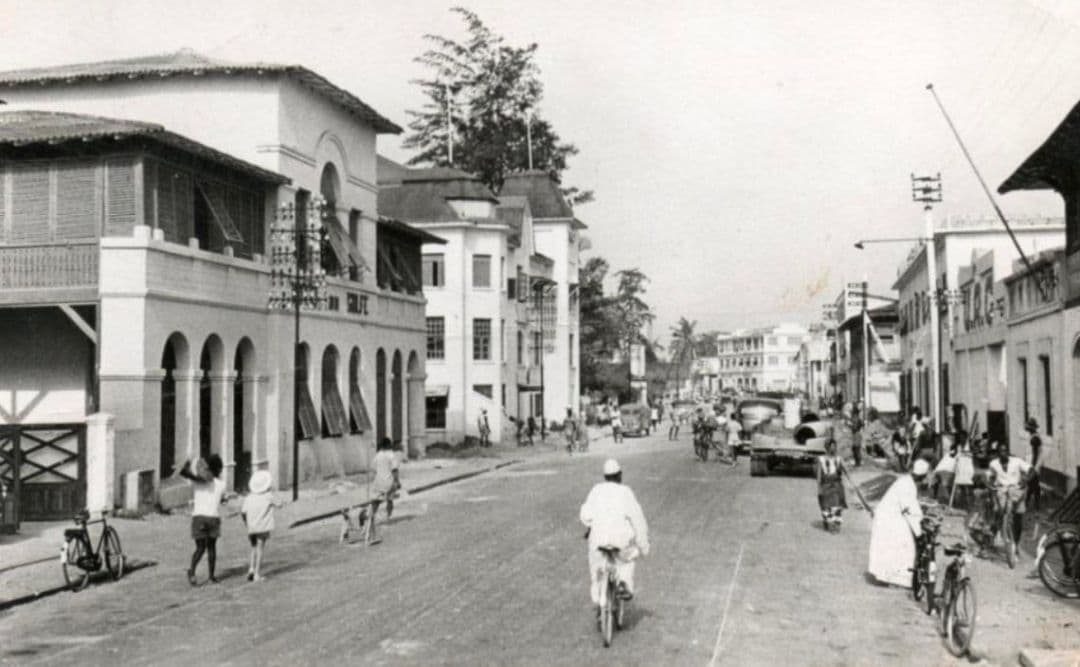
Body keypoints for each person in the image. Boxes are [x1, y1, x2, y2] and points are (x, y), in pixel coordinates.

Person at [579, 459, 650, 614]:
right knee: (627, 560)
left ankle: (598, 598)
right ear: (619, 476)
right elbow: (638, 520)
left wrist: (590, 525)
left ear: (605, 476)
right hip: (620, 541)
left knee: (596, 568)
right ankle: (623, 584)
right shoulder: (625, 492)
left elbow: (585, 514)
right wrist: (643, 546)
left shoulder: (596, 490)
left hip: (598, 540)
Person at [868, 458, 930, 587]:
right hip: (889, 519)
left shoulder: (906, 481)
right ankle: (896, 581)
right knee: (906, 546)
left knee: (891, 548)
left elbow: (910, 506)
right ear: (921, 476)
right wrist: (919, 531)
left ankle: (887, 577)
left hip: (890, 518)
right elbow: (910, 511)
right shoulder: (907, 485)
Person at [179, 454, 227, 586]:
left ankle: (192, 571)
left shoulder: (198, 481)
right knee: (212, 548)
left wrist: (188, 463)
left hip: (199, 517)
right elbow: (221, 497)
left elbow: (184, 472)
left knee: (200, 548)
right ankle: (211, 576)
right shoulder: (222, 484)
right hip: (213, 517)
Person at [988, 443, 1032, 563]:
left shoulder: (1017, 461)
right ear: (998, 454)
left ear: (1008, 452)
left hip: (1017, 490)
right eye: (1000, 451)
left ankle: (1016, 545)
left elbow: (1031, 470)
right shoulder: (994, 464)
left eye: (1005, 451)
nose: (1003, 453)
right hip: (1002, 490)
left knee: (1018, 517)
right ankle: (995, 534)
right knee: (999, 512)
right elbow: (991, 477)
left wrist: (1026, 479)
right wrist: (991, 487)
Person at [240, 469, 276, 582]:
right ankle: (257, 573)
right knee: (260, 549)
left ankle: (251, 569)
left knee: (253, 547)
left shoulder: (249, 497)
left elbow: (243, 512)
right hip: (263, 526)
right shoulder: (268, 496)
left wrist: (247, 523)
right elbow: (280, 503)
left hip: (251, 526)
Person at [368, 437, 401, 543]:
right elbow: (395, 470)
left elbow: (373, 469)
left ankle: (370, 520)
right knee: (390, 498)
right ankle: (388, 516)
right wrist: (397, 481)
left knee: (375, 502)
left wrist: (372, 481)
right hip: (388, 482)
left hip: (378, 482)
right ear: (388, 445)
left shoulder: (377, 455)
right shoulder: (391, 455)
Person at [816, 439, 847, 531]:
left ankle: (836, 524)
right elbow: (819, 475)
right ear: (827, 448)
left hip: (837, 485)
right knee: (826, 506)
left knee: (837, 505)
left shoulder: (839, 459)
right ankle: (826, 520)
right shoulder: (821, 459)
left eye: (834, 446)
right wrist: (819, 488)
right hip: (826, 485)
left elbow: (845, 470)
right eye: (831, 447)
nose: (833, 449)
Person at [1023, 417, 1044, 512]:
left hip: (1034, 464)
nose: (1026, 428)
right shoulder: (1032, 437)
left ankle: (1030, 504)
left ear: (1032, 428)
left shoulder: (1035, 438)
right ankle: (1035, 504)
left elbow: (1035, 454)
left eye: (1028, 427)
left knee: (1032, 484)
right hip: (1033, 463)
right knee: (1033, 485)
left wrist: (1032, 467)